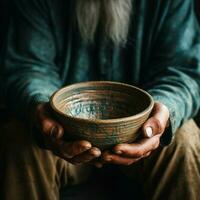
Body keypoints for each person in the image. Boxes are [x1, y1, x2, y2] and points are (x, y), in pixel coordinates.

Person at [0, 0, 200, 199]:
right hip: (65, 137)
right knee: (19, 138)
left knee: (185, 140)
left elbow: (182, 71)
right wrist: (41, 107)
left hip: (142, 138)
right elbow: (28, 67)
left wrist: (162, 115)